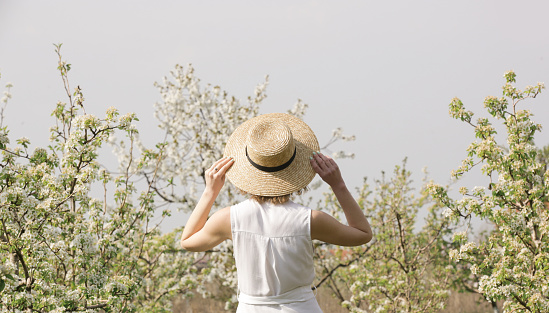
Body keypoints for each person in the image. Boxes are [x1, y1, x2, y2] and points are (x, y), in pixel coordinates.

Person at [181, 113, 372, 313]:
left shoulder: (229, 219)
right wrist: (338, 185)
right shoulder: (310, 220)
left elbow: (188, 241)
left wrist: (209, 192)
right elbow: (363, 234)